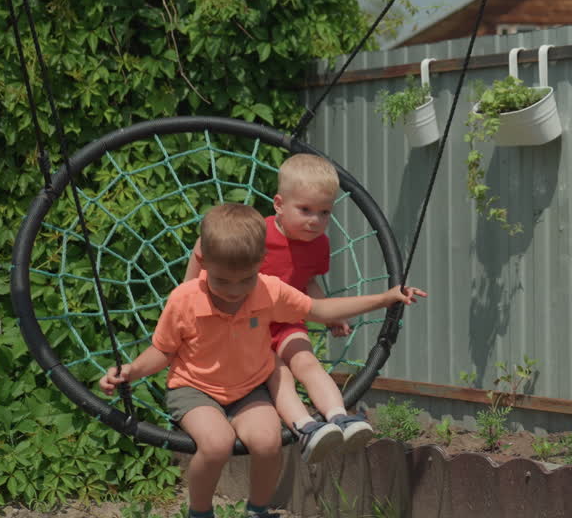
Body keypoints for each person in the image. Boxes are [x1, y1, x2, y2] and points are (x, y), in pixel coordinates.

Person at [101, 203, 426, 518]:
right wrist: (130, 371)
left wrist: (385, 298)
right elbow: (163, 351)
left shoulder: (268, 290)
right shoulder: (185, 299)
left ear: (260, 263)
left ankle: (258, 510)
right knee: (217, 444)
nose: (235, 290)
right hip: (194, 388)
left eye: (245, 279)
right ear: (204, 262)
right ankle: (199, 511)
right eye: (223, 281)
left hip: (248, 389)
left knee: (268, 442)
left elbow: (320, 310)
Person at [184, 153, 369, 464]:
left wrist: (328, 314)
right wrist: (190, 289)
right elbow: (207, 260)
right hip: (246, 326)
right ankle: (305, 427)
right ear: (279, 204)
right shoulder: (258, 234)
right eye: (306, 210)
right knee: (278, 374)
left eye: (325, 212)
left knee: (307, 362)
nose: (316, 220)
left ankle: (339, 417)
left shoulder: (319, 244)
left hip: (287, 321)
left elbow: (306, 283)